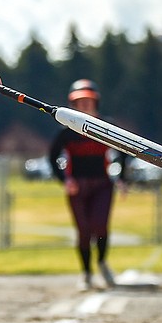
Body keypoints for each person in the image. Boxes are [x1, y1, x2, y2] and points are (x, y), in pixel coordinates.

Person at [48, 79, 128, 290]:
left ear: (95, 102)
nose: (84, 105)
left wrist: (121, 177)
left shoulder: (106, 126)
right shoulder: (66, 131)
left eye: (88, 101)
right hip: (78, 186)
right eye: (79, 101)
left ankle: (102, 262)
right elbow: (52, 157)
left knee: (100, 225)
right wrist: (65, 180)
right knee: (83, 231)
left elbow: (122, 152)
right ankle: (86, 273)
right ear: (73, 104)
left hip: (102, 184)